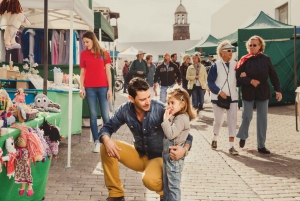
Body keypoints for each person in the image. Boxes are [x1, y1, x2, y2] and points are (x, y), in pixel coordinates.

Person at [98, 78, 193, 201]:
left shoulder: (160, 109)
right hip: (138, 154)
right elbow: (107, 127)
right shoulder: (125, 110)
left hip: (158, 158)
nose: (148, 102)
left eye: (149, 97)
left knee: (149, 180)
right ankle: (116, 195)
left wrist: (184, 149)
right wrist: (106, 140)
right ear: (131, 99)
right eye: (143, 99)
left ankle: (166, 194)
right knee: (105, 147)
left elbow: (187, 134)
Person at [235, 35, 282, 154]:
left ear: (260, 46)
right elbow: (237, 76)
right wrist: (250, 81)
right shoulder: (244, 60)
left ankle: (261, 145)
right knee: (247, 116)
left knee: (262, 119)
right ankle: (243, 135)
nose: (252, 47)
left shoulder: (266, 59)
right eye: (250, 45)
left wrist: (278, 90)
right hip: (248, 91)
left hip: (263, 91)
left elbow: (273, 75)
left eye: (254, 45)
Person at [79, 31, 112, 153]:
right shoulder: (84, 54)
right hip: (89, 88)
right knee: (93, 116)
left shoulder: (104, 52)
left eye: (87, 42)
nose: (85, 44)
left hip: (103, 87)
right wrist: (82, 87)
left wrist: (110, 89)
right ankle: (97, 142)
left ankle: (107, 139)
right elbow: (82, 73)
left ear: (93, 40)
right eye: (84, 42)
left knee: (105, 116)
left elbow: (108, 72)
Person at [161, 87, 196, 201]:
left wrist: (165, 121)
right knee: (167, 187)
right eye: (168, 103)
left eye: (172, 102)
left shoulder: (181, 118)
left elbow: (171, 134)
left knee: (173, 188)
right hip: (168, 158)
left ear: (182, 104)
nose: (169, 105)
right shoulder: (177, 116)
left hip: (173, 159)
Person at [207, 40, 239, 155]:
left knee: (232, 120)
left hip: (232, 97)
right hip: (218, 97)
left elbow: (238, 80)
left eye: (232, 50)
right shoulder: (216, 65)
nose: (231, 53)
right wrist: (219, 91)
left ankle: (231, 146)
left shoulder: (236, 64)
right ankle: (215, 138)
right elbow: (210, 82)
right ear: (222, 52)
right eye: (229, 51)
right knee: (219, 121)